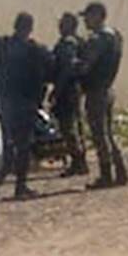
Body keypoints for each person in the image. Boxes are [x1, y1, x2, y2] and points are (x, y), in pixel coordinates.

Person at [0, 13, 48, 200]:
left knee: (8, 144)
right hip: (25, 102)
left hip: (7, 100)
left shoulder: (6, 45)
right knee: (23, 146)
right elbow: (48, 67)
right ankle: (19, 186)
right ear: (30, 28)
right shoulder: (34, 49)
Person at [77, 1, 128, 189]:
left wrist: (76, 63)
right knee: (109, 133)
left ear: (98, 15)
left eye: (88, 16)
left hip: (96, 90)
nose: (85, 21)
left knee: (100, 134)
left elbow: (86, 65)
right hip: (108, 88)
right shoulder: (115, 36)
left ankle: (106, 175)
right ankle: (121, 172)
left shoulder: (99, 39)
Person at [50, 12, 88, 177]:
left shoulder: (68, 44)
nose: (59, 26)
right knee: (77, 125)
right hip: (75, 88)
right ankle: (80, 160)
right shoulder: (78, 41)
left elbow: (66, 69)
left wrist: (56, 91)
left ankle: (78, 160)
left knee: (68, 127)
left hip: (67, 89)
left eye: (63, 23)